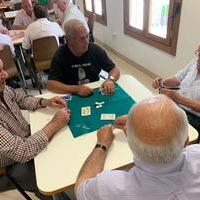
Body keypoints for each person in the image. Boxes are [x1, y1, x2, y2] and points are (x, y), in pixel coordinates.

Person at [75, 94, 200, 200]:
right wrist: (139, 124)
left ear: (129, 143)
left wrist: (102, 144)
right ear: (186, 142)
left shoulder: (110, 185)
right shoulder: (196, 151)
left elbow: (80, 190)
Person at [0, 58, 71, 199]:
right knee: (47, 184)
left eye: (2, 69)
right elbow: (23, 151)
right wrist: (54, 124)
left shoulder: (3, 88)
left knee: (63, 148)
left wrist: (45, 102)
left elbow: (21, 99)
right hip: (11, 164)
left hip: (26, 137)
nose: (5, 75)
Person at [47, 19, 120, 96]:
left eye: (87, 36)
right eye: (82, 38)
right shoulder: (60, 54)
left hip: (94, 91)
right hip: (71, 93)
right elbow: (51, 85)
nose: (87, 42)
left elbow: (115, 69)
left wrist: (110, 80)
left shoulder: (96, 49)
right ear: (69, 40)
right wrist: (76, 89)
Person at [152, 43, 200, 141]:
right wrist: (162, 82)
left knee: (164, 128)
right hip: (177, 105)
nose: (198, 59)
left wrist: (178, 98)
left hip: (195, 117)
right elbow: (178, 78)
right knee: (152, 113)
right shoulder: (195, 62)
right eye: (198, 53)